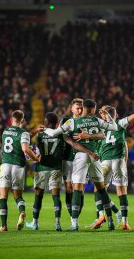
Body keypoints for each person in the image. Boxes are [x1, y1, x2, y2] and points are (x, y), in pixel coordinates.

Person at [44, 99, 118, 231]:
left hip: (81, 156)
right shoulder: (97, 120)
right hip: (95, 156)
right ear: (93, 109)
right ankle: (111, 221)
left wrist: (45, 130)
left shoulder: (72, 122)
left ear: (83, 108)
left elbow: (54, 133)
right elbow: (114, 127)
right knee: (101, 189)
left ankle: (74, 224)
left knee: (77, 188)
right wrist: (108, 114)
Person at [26, 112, 99, 231]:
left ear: (46, 122)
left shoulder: (40, 134)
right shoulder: (61, 135)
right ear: (56, 123)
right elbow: (71, 143)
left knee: (38, 196)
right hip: (56, 168)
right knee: (56, 196)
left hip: (42, 169)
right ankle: (57, 224)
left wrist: (33, 132)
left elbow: (27, 143)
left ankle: (35, 223)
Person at [87, 105, 134, 230]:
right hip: (118, 160)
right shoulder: (120, 123)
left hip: (105, 161)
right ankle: (124, 221)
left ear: (104, 115)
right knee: (121, 191)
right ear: (116, 115)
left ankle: (101, 215)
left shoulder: (102, 127)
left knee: (99, 189)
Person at [0, 110, 41, 232]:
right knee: (18, 196)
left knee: (3, 197)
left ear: (11, 119)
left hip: (5, 166)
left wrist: (32, 132)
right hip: (18, 167)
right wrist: (36, 158)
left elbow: (17, 138)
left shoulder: (5, 131)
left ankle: (4, 226)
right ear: (23, 120)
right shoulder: (24, 133)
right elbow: (25, 149)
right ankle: (22, 212)